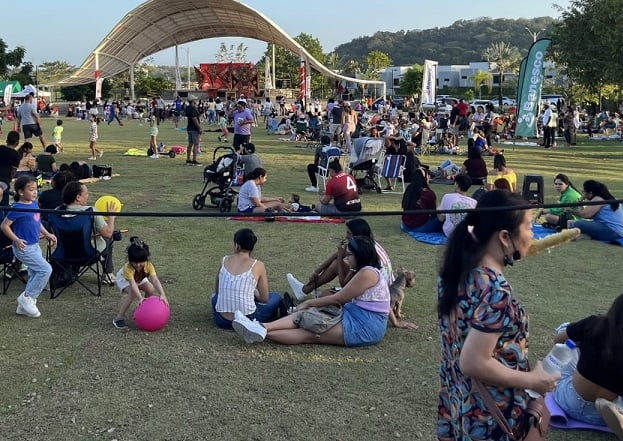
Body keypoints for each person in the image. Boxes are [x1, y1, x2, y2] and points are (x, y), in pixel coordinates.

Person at [437, 190, 559, 440]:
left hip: (459, 401)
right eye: (529, 226)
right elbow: (473, 361)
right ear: (505, 237)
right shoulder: (495, 292)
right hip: (489, 416)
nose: (532, 234)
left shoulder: (455, 273)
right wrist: (532, 381)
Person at [232, 235, 391, 347]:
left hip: (365, 326)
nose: (346, 259)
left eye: (349, 255)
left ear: (360, 256)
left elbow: (338, 298)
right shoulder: (364, 270)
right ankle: (260, 326)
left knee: (310, 333)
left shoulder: (367, 273)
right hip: (354, 315)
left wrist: (308, 302)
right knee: (305, 316)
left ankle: (258, 331)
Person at [548, 293, 623, 435]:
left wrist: (581, 343)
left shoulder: (594, 323)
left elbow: (558, 340)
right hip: (601, 415)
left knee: (565, 330)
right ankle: (618, 411)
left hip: (568, 400)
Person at [1, 176, 56, 318]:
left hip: (35, 245)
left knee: (34, 272)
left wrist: (48, 234)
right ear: (20, 192)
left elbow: (37, 222)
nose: (34, 192)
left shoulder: (34, 204)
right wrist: (16, 239)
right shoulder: (17, 208)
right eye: (30, 190)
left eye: (35, 189)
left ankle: (23, 307)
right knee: (45, 269)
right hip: (24, 248)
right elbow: (4, 226)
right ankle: (27, 297)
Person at [211, 228, 282, 330]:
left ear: (237, 245)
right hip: (248, 319)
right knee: (275, 296)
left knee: (214, 298)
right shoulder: (258, 265)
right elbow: (265, 299)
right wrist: (255, 293)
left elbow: (218, 291)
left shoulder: (224, 260)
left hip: (222, 320)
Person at [61, 181, 118, 285]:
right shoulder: (90, 211)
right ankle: (108, 274)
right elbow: (108, 233)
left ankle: (73, 271)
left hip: (64, 253)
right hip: (87, 254)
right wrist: (111, 217)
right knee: (108, 238)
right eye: (86, 193)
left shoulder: (58, 211)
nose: (88, 196)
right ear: (78, 197)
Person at [112, 236, 168, 330]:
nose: (138, 265)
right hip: (124, 279)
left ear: (146, 259)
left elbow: (155, 280)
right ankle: (119, 318)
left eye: (141, 262)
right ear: (130, 261)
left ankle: (145, 311)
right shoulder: (128, 268)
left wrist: (163, 294)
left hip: (139, 278)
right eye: (135, 262)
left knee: (150, 289)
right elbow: (133, 284)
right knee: (133, 293)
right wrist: (140, 298)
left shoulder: (149, 266)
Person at [401, 168, 442, 233]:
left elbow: (404, 205)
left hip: (406, 224)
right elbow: (433, 213)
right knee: (442, 219)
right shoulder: (428, 193)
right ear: (425, 178)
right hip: (420, 227)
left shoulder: (409, 189)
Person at [0, 131, 21, 206]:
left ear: (7, 140)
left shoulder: (1, 148)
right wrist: (11, 178)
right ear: (17, 142)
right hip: (4, 180)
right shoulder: (16, 155)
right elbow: (13, 172)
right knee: (4, 204)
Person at [185, 95, 203, 166]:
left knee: (190, 144)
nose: (196, 100)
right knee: (196, 144)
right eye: (195, 99)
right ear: (193, 101)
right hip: (194, 128)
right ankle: (194, 160)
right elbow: (194, 119)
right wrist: (199, 128)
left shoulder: (187, 108)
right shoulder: (193, 108)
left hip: (189, 127)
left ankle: (188, 159)